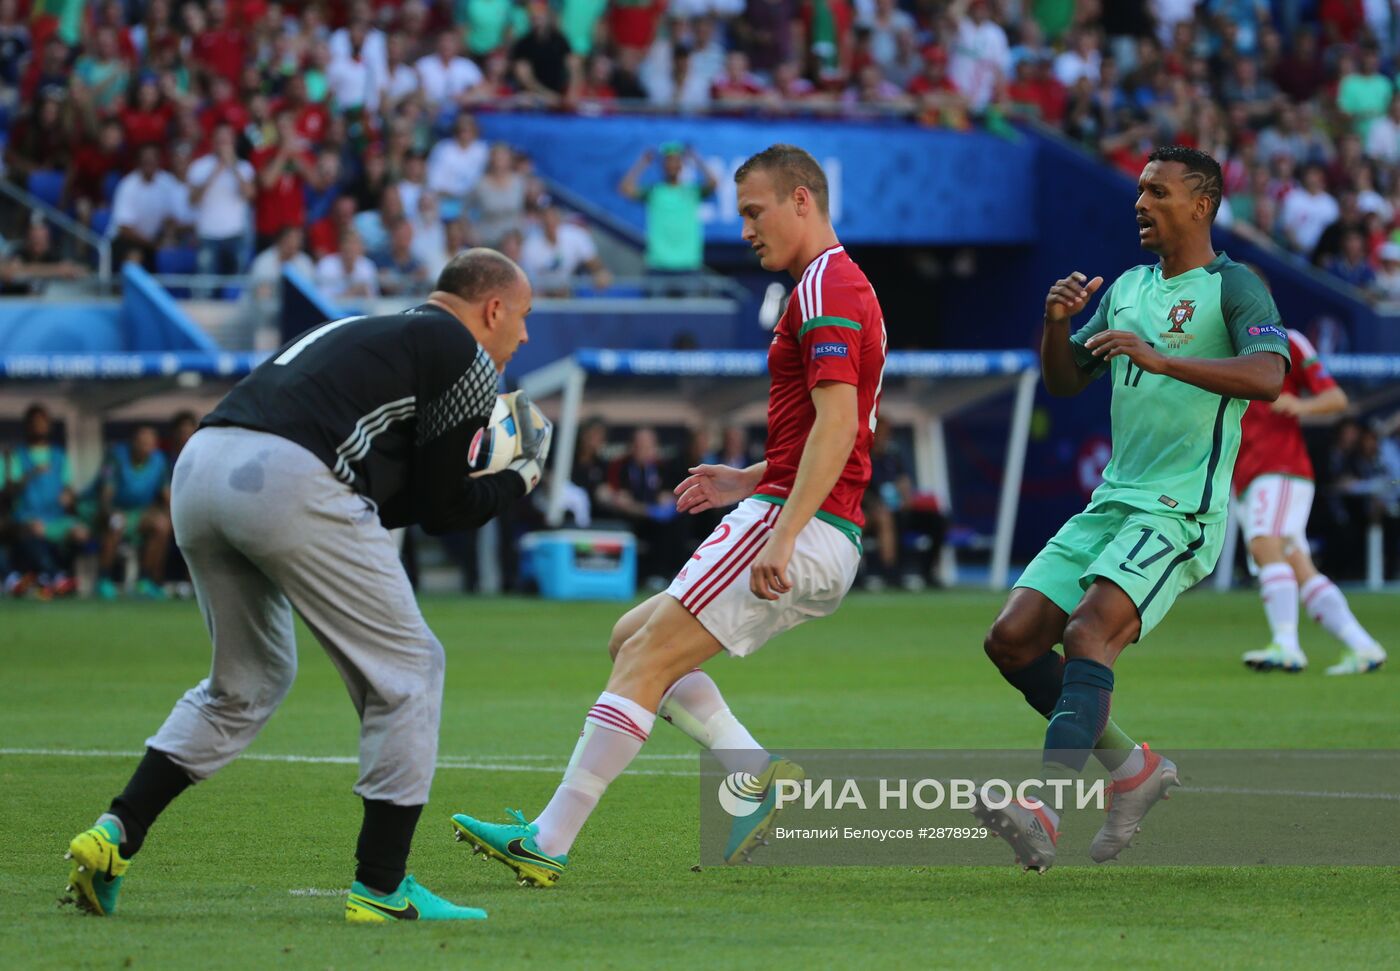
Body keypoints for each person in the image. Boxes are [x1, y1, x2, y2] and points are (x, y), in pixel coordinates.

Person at [63, 249, 550, 923]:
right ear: (493, 308)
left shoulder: (370, 330)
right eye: (524, 316)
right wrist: (518, 478)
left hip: (203, 466)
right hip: (290, 476)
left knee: (246, 682)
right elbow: (443, 511)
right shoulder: (463, 353)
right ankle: (382, 886)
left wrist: (480, 480)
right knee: (410, 667)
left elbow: (389, 496)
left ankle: (115, 833)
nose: (524, 335)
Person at [450, 144, 887, 884]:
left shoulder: (824, 289)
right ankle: (752, 773)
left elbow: (841, 427)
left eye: (755, 211)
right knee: (630, 638)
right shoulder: (833, 287)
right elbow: (827, 429)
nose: (746, 228)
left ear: (803, 201)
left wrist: (777, 529)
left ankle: (548, 841)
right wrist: (747, 476)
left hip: (798, 524)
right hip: (809, 517)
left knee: (646, 660)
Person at [976, 146, 1289, 872]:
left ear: (1201, 204)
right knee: (1012, 640)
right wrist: (1057, 323)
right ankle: (1134, 771)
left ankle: (1043, 809)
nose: (1140, 203)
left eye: (1158, 191)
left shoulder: (1235, 287)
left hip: (1180, 511)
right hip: (1112, 503)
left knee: (1089, 632)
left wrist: (1163, 359)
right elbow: (1065, 380)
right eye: (1139, 191)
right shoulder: (1126, 289)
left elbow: (1269, 376)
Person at [1233, 313, 1387, 675]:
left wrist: (1300, 406)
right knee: (1297, 561)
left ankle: (1286, 644)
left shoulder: (1286, 340)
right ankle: (1363, 646)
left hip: (1279, 466)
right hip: (1249, 471)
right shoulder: (1216, 346)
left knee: (1264, 544)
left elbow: (1335, 398)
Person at [7, 404, 87, 598]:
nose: (39, 426)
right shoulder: (16, 455)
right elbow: (10, 490)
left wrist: (68, 496)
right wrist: (33, 473)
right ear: (27, 426)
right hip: (27, 515)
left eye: (43, 422)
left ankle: (59, 574)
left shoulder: (59, 456)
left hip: (55, 516)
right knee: (34, 529)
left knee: (80, 533)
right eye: (34, 423)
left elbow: (68, 487)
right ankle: (54, 577)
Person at [618, 142, 718, 276]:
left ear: (681, 166)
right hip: (658, 264)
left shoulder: (692, 192)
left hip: (688, 264)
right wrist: (642, 164)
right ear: (663, 166)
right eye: (668, 161)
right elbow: (625, 188)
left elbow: (713, 183)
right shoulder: (654, 192)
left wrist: (696, 159)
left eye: (676, 161)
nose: (672, 165)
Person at [95, 424, 172, 600]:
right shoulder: (116, 456)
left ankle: (144, 580)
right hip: (113, 511)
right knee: (116, 523)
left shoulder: (159, 461)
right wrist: (111, 513)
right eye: (141, 442)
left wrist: (172, 517)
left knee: (162, 526)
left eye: (149, 443)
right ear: (133, 442)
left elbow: (167, 495)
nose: (145, 447)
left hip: (141, 514)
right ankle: (104, 579)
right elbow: (106, 493)